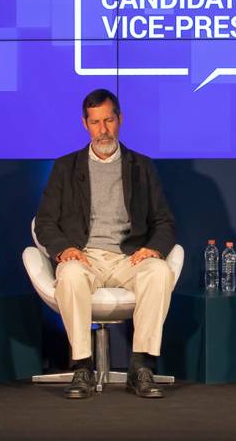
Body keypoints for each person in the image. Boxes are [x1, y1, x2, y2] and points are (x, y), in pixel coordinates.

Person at [35, 89, 176, 399]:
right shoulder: (65, 168)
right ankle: (82, 367)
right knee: (69, 274)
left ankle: (141, 366)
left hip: (130, 256)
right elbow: (45, 221)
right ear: (85, 124)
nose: (103, 130)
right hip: (85, 256)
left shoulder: (142, 166)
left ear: (120, 120)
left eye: (109, 120)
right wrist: (64, 249)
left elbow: (164, 221)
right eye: (96, 122)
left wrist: (153, 249)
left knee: (160, 272)